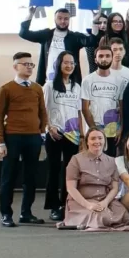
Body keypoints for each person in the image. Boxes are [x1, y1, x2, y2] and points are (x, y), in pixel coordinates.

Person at [0, 52, 49, 227]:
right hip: (12, 137)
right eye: (25, 64)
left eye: (31, 64)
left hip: (33, 138)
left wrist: (42, 133)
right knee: (9, 177)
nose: (29, 67)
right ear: (15, 66)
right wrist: (0, 142)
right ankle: (6, 214)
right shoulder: (6, 89)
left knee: (30, 177)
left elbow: (42, 112)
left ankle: (26, 213)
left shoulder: (37, 88)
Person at [58, 129, 129, 231]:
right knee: (100, 217)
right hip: (82, 201)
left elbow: (115, 188)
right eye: (93, 138)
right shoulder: (76, 159)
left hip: (104, 200)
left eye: (100, 138)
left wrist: (105, 202)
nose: (97, 141)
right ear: (87, 142)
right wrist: (88, 205)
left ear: (105, 141)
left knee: (122, 215)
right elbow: (71, 188)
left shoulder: (112, 161)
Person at [43, 52, 84, 222]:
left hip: (73, 135)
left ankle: (66, 203)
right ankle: (54, 206)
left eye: (72, 63)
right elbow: (43, 109)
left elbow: (79, 112)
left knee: (70, 172)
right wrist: (49, 127)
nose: (69, 66)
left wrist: (82, 135)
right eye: (66, 62)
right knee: (54, 169)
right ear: (59, 64)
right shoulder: (49, 86)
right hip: (55, 134)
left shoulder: (77, 86)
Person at [19, 6, 95, 85]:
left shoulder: (75, 37)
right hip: (47, 83)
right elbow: (24, 33)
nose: (63, 21)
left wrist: (95, 22)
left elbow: (92, 41)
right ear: (54, 19)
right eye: (59, 18)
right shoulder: (46, 35)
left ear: (69, 20)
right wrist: (30, 14)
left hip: (70, 84)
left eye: (66, 19)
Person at [81, 46, 125, 156]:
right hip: (94, 131)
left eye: (107, 56)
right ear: (95, 59)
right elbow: (85, 108)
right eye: (100, 56)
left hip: (113, 131)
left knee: (110, 161)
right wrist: (94, 130)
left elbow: (122, 106)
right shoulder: (87, 80)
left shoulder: (120, 80)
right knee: (93, 161)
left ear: (112, 58)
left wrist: (121, 128)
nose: (104, 59)